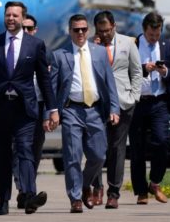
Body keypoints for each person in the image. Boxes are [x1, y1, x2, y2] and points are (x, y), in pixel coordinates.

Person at [0, 1, 58, 215]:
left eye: (15, 15)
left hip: (25, 109)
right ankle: (3, 200)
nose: (11, 18)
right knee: (2, 157)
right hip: (0, 109)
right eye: (8, 15)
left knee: (25, 151)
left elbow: (45, 80)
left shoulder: (35, 44)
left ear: (23, 18)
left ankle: (30, 195)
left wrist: (52, 109)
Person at [50, 14, 119, 213]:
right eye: (76, 29)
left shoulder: (99, 53)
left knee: (99, 155)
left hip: (96, 110)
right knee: (72, 156)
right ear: (69, 31)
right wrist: (53, 111)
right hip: (72, 110)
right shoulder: (59, 55)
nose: (80, 33)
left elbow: (110, 84)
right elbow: (52, 88)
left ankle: (84, 184)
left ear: (88, 31)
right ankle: (76, 198)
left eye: (83, 29)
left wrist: (114, 108)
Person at [129, 11, 170, 205]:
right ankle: (141, 191)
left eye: (157, 34)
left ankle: (155, 182)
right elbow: (123, 70)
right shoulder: (132, 45)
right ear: (144, 30)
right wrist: (144, 68)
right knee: (137, 149)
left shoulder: (167, 46)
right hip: (137, 102)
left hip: (159, 101)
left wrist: (165, 71)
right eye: (151, 34)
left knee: (161, 142)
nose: (154, 38)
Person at [90, 10, 142, 209]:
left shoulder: (127, 43)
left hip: (123, 102)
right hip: (97, 103)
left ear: (114, 27)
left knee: (117, 149)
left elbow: (137, 71)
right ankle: (97, 187)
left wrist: (134, 97)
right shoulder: (90, 46)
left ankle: (114, 192)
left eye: (107, 30)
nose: (104, 34)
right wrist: (93, 48)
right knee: (96, 148)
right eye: (100, 31)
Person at [13, 14, 49, 209]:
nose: (26, 31)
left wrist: (50, 112)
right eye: (23, 28)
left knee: (34, 151)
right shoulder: (12, 52)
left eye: (30, 28)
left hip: (38, 107)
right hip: (18, 107)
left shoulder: (41, 50)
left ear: (35, 30)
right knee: (21, 150)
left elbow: (48, 84)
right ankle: (26, 191)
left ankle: (26, 189)